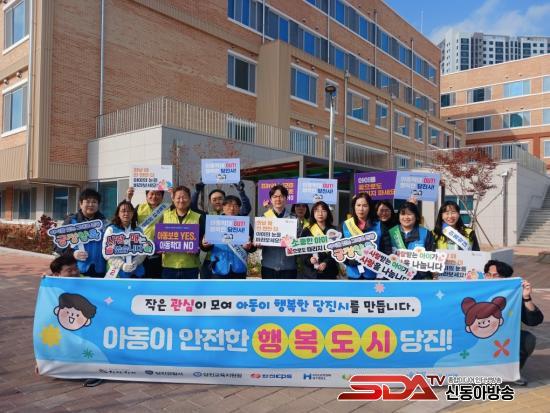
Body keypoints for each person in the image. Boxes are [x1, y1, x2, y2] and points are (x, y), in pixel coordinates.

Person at [484, 259, 544, 385]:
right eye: (488, 275)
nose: (491, 278)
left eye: (496, 276)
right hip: (478, 339)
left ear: (505, 279)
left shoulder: (512, 296)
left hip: (504, 340)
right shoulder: (476, 291)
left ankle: (513, 373)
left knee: (528, 340)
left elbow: (534, 321)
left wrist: (526, 297)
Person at [56, 189, 108, 278]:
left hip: (100, 270)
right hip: (76, 270)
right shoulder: (71, 221)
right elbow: (57, 245)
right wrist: (73, 254)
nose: (91, 205)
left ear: (98, 205)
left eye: (94, 202)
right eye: (87, 201)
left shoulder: (105, 223)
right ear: (80, 204)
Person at [201, 196, 255, 279]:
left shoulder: (245, 224)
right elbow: (205, 247)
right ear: (223, 207)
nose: (232, 209)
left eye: (235, 206)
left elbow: (253, 247)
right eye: (229, 206)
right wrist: (205, 245)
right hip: (219, 267)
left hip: (239, 267)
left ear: (239, 208)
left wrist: (249, 246)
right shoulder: (215, 222)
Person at [342, 193, 391, 280]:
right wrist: (349, 261)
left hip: (372, 273)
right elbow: (339, 248)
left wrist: (378, 264)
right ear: (354, 207)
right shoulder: (346, 225)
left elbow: (387, 250)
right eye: (358, 205)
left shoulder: (379, 225)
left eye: (365, 205)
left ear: (370, 207)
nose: (361, 209)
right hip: (353, 273)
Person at [159, 185, 203, 279]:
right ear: (173, 199)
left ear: (190, 199)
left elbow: (202, 241)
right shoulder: (165, 216)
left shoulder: (198, 217)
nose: (181, 200)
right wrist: (159, 247)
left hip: (190, 266)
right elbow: (158, 238)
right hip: (169, 266)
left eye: (184, 197)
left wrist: (197, 249)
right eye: (178, 198)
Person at [258, 184, 297, 279]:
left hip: (288, 267)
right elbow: (259, 243)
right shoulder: (263, 219)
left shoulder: (294, 219)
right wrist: (258, 243)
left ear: (286, 199)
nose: (278, 199)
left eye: (281, 196)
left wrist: (294, 242)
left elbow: (299, 242)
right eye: (275, 196)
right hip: (268, 266)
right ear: (271, 200)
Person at [389, 202, 435, 280]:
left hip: (419, 279)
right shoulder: (391, 232)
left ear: (416, 216)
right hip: (396, 278)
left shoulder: (426, 233)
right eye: (403, 214)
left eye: (409, 214)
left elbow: (432, 256)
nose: (406, 217)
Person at [126, 187, 165, 278]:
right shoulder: (139, 207)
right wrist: (128, 198)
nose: (154, 196)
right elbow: (127, 218)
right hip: (140, 251)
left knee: (156, 280)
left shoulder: (168, 209)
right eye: (151, 193)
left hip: (159, 252)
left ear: (162, 197)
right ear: (147, 196)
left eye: (158, 194)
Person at [102, 201, 146, 278]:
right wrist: (122, 265)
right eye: (123, 211)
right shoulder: (111, 229)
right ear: (118, 214)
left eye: (129, 211)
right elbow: (106, 252)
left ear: (133, 213)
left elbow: (144, 249)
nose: (126, 213)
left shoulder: (138, 230)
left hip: (136, 271)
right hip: (116, 271)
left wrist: (136, 262)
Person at [299, 201, 339, 279]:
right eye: (317, 211)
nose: (320, 213)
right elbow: (301, 251)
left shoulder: (334, 231)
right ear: (313, 213)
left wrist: (326, 262)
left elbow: (337, 251)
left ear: (328, 213)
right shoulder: (307, 230)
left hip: (329, 273)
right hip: (310, 274)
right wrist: (309, 259)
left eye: (323, 211)